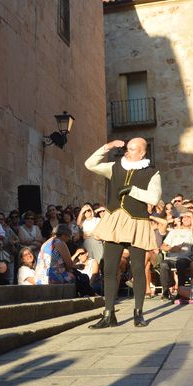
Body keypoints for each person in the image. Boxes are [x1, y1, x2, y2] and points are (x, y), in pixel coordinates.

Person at [84, 138, 163, 328]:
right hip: (115, 222)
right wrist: (107, 147)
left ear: (142, 152)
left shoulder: (153, 173)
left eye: (132, 149)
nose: (127, 152)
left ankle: (138, 313)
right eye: (127, 149)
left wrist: (133, 190)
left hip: (137, 222)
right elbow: (90, 164)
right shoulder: (115, 166)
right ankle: (108, 314)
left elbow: (154, 197)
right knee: (109, 269)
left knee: (138, 268)